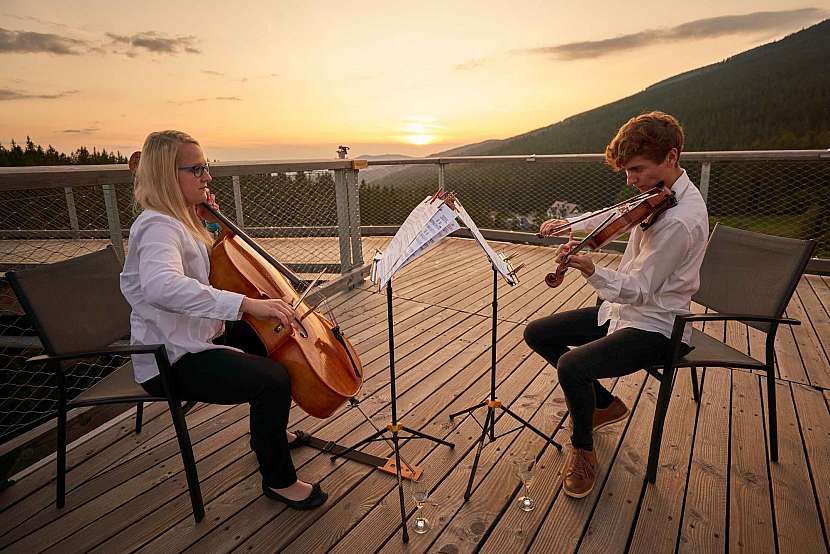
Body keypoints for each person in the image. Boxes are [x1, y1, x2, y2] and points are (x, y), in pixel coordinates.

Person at [120, 130, 327, 509]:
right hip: (170, 358)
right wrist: (247, 304)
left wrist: (209, 223)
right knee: (272, 380)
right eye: (196, 169)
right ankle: (278, 480)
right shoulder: (157, 227)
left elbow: (207, 270)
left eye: (206, 166)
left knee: (268, 341)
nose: (207, 176)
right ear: (168, 176)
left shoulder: (180, 220)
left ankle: (267, 435)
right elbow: (161, 286)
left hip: (196, 335)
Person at [525, 112, 709, 498]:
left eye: (637, 169)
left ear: (671, 157)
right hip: (623, 314)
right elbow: (618, 216)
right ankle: (604, 404)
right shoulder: (659, 194)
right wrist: (570, 224)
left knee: (571, 366)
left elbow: (640, 289)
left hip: (658, 327)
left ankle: (583, 449)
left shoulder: (680, 220)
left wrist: (593, 271)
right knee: (537, 333)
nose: (630, 180)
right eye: (626, 171)